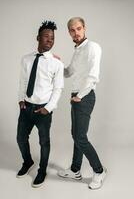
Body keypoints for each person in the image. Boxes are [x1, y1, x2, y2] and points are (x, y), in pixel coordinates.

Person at [58, 17, 107, 190]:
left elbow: (93, 75)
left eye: (79, 28)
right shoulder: (77, 50)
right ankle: (75, 169)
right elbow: (69, 72)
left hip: (84, 97)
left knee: (80, 136)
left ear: (84, 28)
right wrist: (57, 64)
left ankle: (99, 171)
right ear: (69, 32)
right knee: (76, 134)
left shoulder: (93, 47)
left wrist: (80, 95)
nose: (76, 32)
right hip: (76, 95)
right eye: (72, 30)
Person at [16, 20, 64, 188]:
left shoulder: (57, 63)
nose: (50, 40)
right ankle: (28, 162)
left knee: (44, 142)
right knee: (21, 138)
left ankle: (42, 170)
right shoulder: (26, 59)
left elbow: (58, 89)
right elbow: (23, 80)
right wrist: (21, 99)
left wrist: (48, 108)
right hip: (26, 107)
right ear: (38, 38)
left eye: (52, 38)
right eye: (46, 36)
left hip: (43, 110)